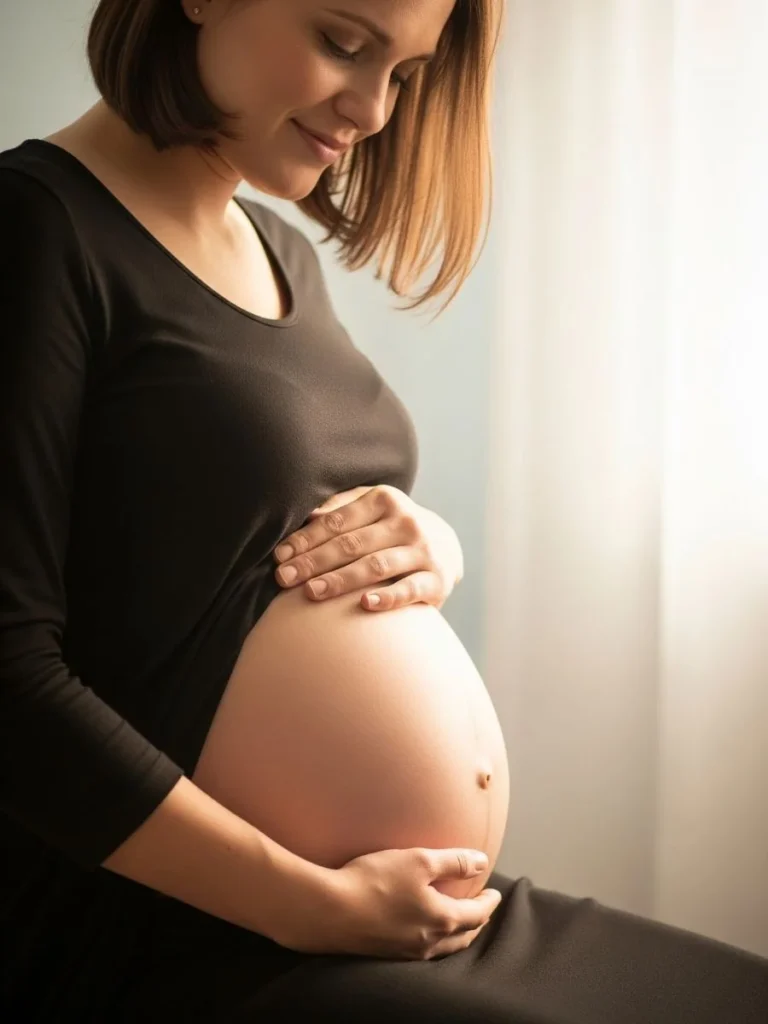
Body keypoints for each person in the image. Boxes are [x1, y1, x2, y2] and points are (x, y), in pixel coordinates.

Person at [1, 1, 766, 1021]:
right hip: (192, 928)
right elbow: (6, 673)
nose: (370, 109)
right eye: (344, 43)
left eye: (401, 73)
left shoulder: (280, 250)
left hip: (386, 911)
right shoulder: (35, 228)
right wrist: (301, 903)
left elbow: (231, 525)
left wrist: (430, 542)